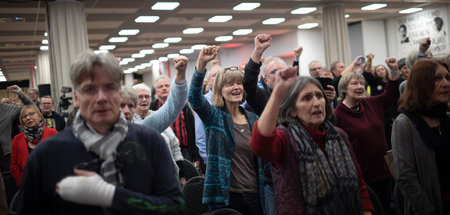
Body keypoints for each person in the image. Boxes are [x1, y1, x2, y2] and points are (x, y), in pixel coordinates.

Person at [17, 50, 184, 215]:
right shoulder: (47, 155)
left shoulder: (150, 142)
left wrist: (110, 195)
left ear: (120, 94)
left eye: (109, 87)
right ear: (76, 98)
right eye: (90, 89)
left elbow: (175, 207)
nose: (101, 97)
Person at [249, 64, 374, 214]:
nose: (316, 103)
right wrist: (278, 94)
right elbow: (260, 145)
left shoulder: (339, 135)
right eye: (307, 98)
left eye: (319, 96)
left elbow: (358, 181)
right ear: (293, 110)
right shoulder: (285, 138)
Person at [189, 45, 265, 214]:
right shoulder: (214, 116)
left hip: (255, 196)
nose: (236, 87)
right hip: (225, 197)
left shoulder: (254, 119)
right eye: (230, 84)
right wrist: (201, 64)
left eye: (239, 83)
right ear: (220, 91)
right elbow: (194, 98)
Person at [335, 57, 401, 214]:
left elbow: (390, 94)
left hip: (384, 172)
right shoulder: (338, 115)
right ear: (344, 89)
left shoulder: (371, 103)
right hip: (362, 179)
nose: (360, 87)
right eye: (354, 83)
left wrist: (393, 70)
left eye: (361, 83)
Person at [392, 59, 450, 215]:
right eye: (437, 78)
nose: (446, 83)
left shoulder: (445, 117)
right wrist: (429, 211)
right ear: (421, 84)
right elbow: (406, 177)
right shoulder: (404, 124)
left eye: (447, 77)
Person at [121, 86, 186, 186]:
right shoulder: (114, 133)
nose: (126, 110)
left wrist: (181, 173)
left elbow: (174, 143)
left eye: (147, 96)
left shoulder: (151, 120)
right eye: (122, 106)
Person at [150, 76, 201, 165]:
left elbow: (192, 132)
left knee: (187, 177)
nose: (164, 88)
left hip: (183, 151)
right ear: (156, 91)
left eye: (167, 86)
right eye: (160, 87)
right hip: (160, 151)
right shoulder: (152, 107)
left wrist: (195, 156)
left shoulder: (182, 106)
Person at [11, 105, 58, 186]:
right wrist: (22, 182)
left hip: (52, 184)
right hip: (28, 185)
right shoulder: (17, 139)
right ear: (22, 121)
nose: (28, 118)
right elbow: (14, 165)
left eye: (32, 113)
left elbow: (61, 158)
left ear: (40, 117)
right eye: (24, 116)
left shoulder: (53, 133)